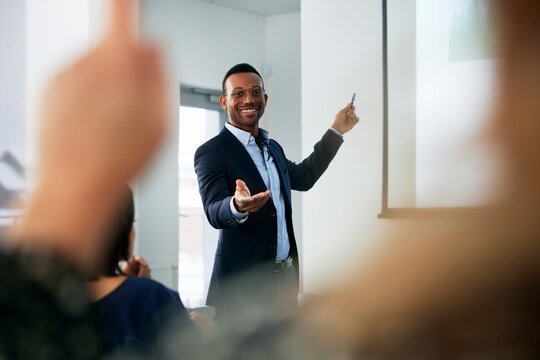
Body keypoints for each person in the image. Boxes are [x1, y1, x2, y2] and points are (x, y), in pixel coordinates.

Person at [194, 63, 359, 317]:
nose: (249, 99)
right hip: (244, 288)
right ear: (224, 102)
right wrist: (236, 206)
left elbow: (305, 177)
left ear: (265, 98)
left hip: (285, 280)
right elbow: (215, 210)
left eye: (255, 92)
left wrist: (336, 131)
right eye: (238, 93)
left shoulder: (273, 148)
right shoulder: (212, 152)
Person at [88, 186, 194, 356]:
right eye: (131, 222)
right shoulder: (152, 297)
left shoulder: (42, 303)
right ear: (121, 230)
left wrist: (125, 281)